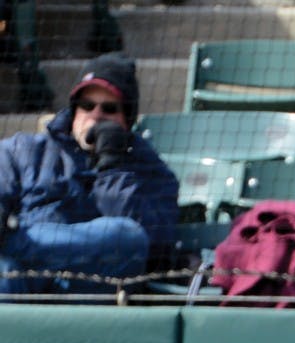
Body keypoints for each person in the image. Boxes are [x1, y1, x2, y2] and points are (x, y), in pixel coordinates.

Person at [0, 52, 179, 295]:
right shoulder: (24, 150)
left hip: (95, 288)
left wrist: (112, 167)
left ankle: (13, 243)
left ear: (126, 119)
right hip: (27, 281)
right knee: (5, 269)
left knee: (129, 235)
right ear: (74, 111)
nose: (95, 115)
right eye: (86, 105)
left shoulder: (150, 169)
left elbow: (153, 247)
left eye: (109, 108)